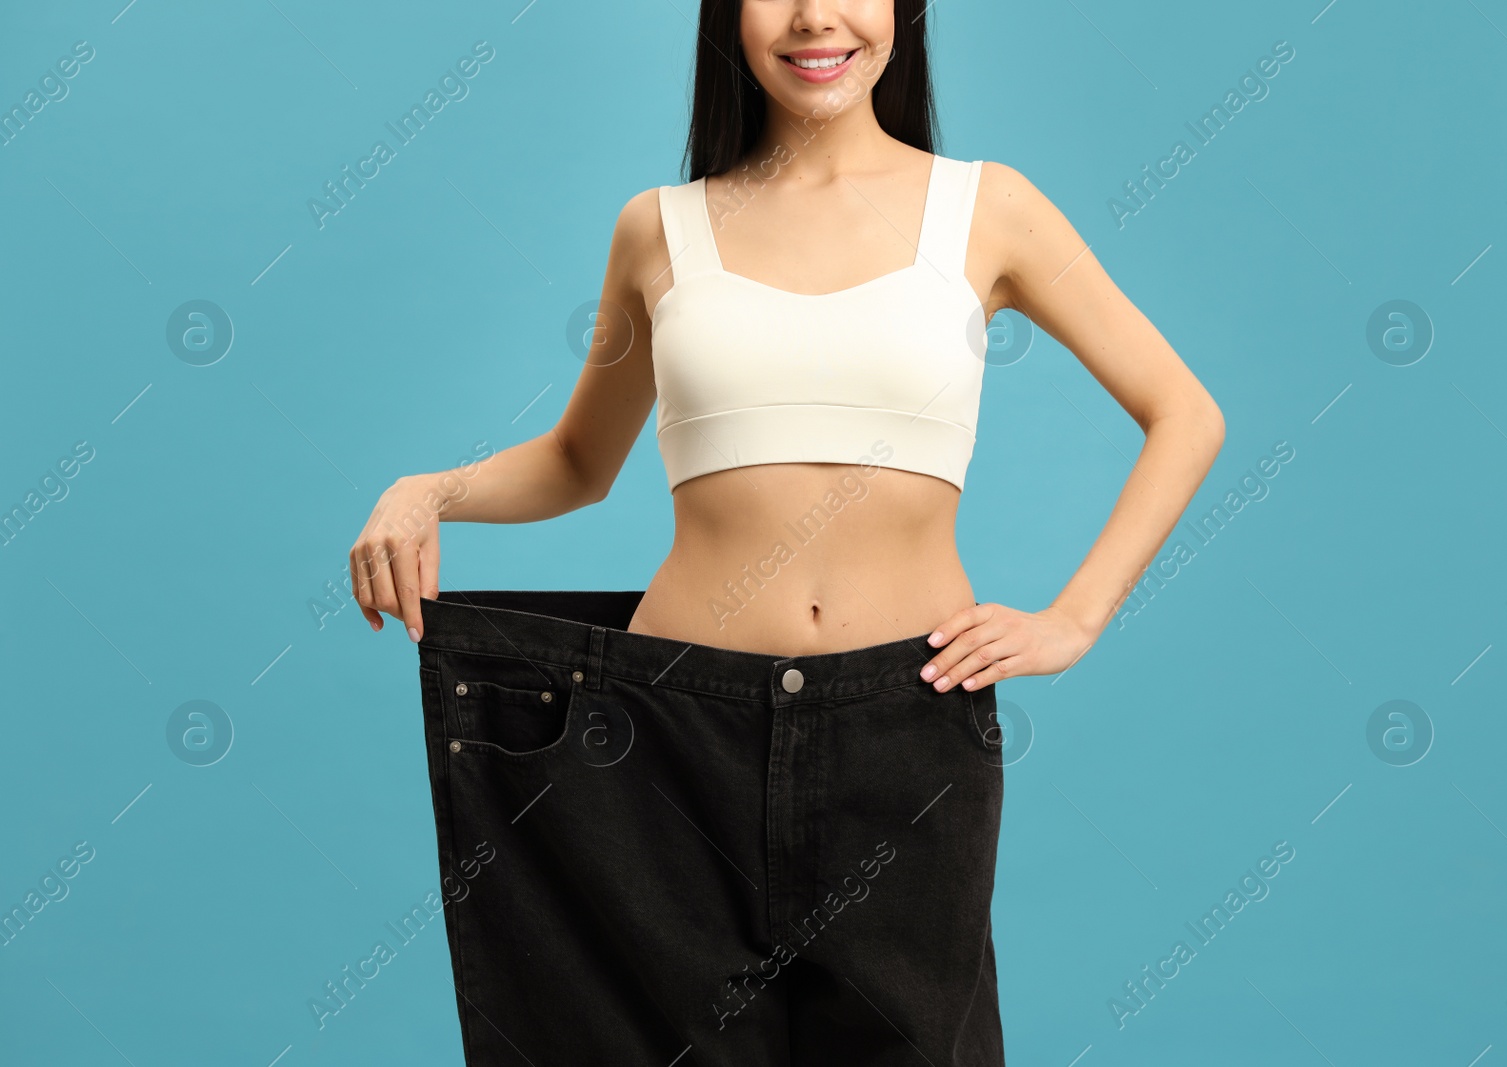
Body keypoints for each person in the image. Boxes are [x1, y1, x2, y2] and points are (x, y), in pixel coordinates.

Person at [348, 1, 1223, 1063]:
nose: (817, 16)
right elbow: (580, 463)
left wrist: (1074, 619)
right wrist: (425, 489)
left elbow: (1185, 412)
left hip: (906, 723)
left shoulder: (986, 209)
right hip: (665, 724)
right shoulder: (658, 227)